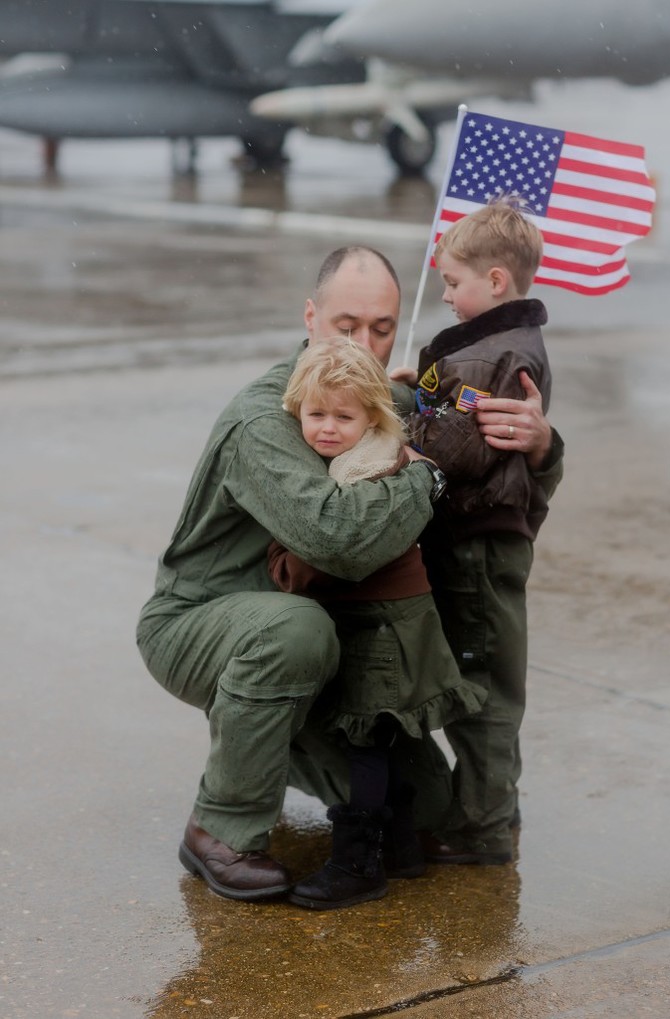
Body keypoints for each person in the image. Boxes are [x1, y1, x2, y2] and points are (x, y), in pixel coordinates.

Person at [136, 244, 561, 902]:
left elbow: (487, 518)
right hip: (204, 618)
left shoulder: (381, 401)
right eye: (347, 325)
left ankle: (267, 732)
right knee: (295, 634)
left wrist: (536, 448)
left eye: (383, 328)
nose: (366, 343)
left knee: (431, 816)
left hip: (323, 633)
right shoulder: (263, 418)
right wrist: (430, 464)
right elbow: (340, 541)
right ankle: (219, 825)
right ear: (311, 317)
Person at [267, 339, 486, 909]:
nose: (328, 429)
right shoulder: (367, 456)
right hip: (392, 623)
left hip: (384, 630)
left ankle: (357, 863)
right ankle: (402, 849)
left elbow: (325, 559)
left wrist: (281, 564)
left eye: (344, 416)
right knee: (381, 746)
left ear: (372, 417)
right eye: (316, 415)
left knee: (364, 741)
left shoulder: (364, 475)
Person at [391, 198, 562, 866]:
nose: (445, 294)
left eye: (454, 282)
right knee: (481, 682)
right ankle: (490, 809)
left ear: (496, 283)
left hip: (479, 547)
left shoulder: (498, 355)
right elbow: (453, 403)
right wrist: (423, 389)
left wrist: (403, 423)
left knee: (483, 690)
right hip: (476, 544)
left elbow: (460, 446)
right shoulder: (489, 351)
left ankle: (484, 831)